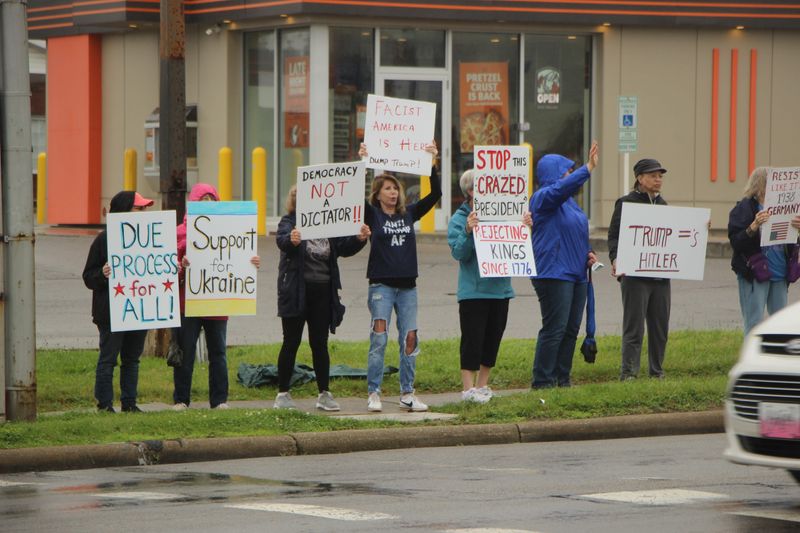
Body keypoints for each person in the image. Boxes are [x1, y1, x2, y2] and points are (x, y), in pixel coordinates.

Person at [358, 141, 440, 412]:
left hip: (408, 287)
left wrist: (432, 163)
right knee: (378, 338)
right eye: (387, 189)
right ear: (378, 194)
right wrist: (363, 162)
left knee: (410, 338)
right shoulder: (372, 214)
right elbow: (354, 194)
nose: (393, 193)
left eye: (395, 188)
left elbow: (436, 193)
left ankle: (407, 392)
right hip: (381, 285)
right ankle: (374, 393)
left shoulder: (409, 214)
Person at [273, 185, 370, 410]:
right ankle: (283, 394)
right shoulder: (289, 221)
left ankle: (324, 393)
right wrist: (292, 239)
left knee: (320, 344)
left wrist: (359, 238)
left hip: (323, 292)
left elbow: (344, 248)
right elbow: (282, 240)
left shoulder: (329, 224)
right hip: (296, 291)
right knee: (291, 342)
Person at [172, 183, 260, 410]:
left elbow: (238, 256)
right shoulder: (179, 233)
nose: (208, 210)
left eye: (212, 206)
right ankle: (181, 399)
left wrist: (250, 263)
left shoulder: (229, 231)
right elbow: (168, 271)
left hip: (217, 301)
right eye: (203, 206)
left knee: (218, 354)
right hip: (188, 303)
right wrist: (181, 265)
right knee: (186, 353)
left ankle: (219, 400)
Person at [448, 169, 532, 402]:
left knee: (492, 339)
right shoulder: (459, 218)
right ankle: (468, 390)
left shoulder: (506, 215)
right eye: (482, 187)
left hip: (500, 290)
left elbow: (519, 248)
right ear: (470, 191)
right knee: (472, 340)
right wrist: (467, 230)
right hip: (473, 291)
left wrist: (525, 226)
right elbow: (458, 253)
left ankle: (483, 386)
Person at [529, 141, 599, 389]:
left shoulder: (570, 203)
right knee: (554, 329)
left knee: (570, 329)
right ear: (554, 173)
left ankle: (562, 378)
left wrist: (588, 252)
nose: (571, 174)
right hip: (553, 272)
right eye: (567, 170)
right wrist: (588, 168)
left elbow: (574, 231)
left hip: (577, 272)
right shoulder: (543, 197)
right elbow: (562, 188)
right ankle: (542, 381)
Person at [83, 190, 154, 413]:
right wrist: (102, 274)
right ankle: (104, 404)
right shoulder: (103, 240)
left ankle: (129, 403)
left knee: (132, 359)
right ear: (124, 211)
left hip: (137, 309)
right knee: (108, 359)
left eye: (144, 209)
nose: (143, 212)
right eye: (138, 208)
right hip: (111, 312)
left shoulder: (151, 237)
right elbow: (88, 277)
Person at [607, 158, 670, 380]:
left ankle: (657, 371)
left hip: (660, 277)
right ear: (640, 178)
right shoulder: (625, 203)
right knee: (634, 327)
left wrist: (698, 228)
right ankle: (629, 373)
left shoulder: (663, 205)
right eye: (653, 175)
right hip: (634, 276)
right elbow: (613, 235)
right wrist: (615, 258)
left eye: (660, 176)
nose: (658, 180)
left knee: (660, 328)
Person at [728, 167, 800, 334]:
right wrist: (753, 226)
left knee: (780, 325)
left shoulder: (787, 208)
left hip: (780, 273)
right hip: (755, 273)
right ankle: (752, 357)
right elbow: (736, 242)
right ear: (761, 185)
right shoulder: (744, 208)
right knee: (754, 324)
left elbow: (791, 241)